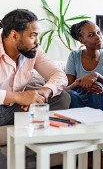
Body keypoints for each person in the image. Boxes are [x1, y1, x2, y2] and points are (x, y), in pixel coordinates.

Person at [0, 9, 70, 168]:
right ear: (14, 35)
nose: (38, 41)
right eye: (33, 36)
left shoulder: (33, 51)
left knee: (62, 97)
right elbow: (17, 97)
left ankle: (34, 152)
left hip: (15, 110)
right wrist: (18, 97)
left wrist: (44, 92)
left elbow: (59, 75)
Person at [66, 20, 103, 113]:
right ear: (82, 40)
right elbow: (66, 89)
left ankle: (95, 122)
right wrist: (78, 84)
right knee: (69, 94)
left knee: (97, 86)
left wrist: (97, 76)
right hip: (81, 103)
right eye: (91, 35)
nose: (98, 37)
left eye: (98, 32)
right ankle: (88, 121)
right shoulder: (74, 56)